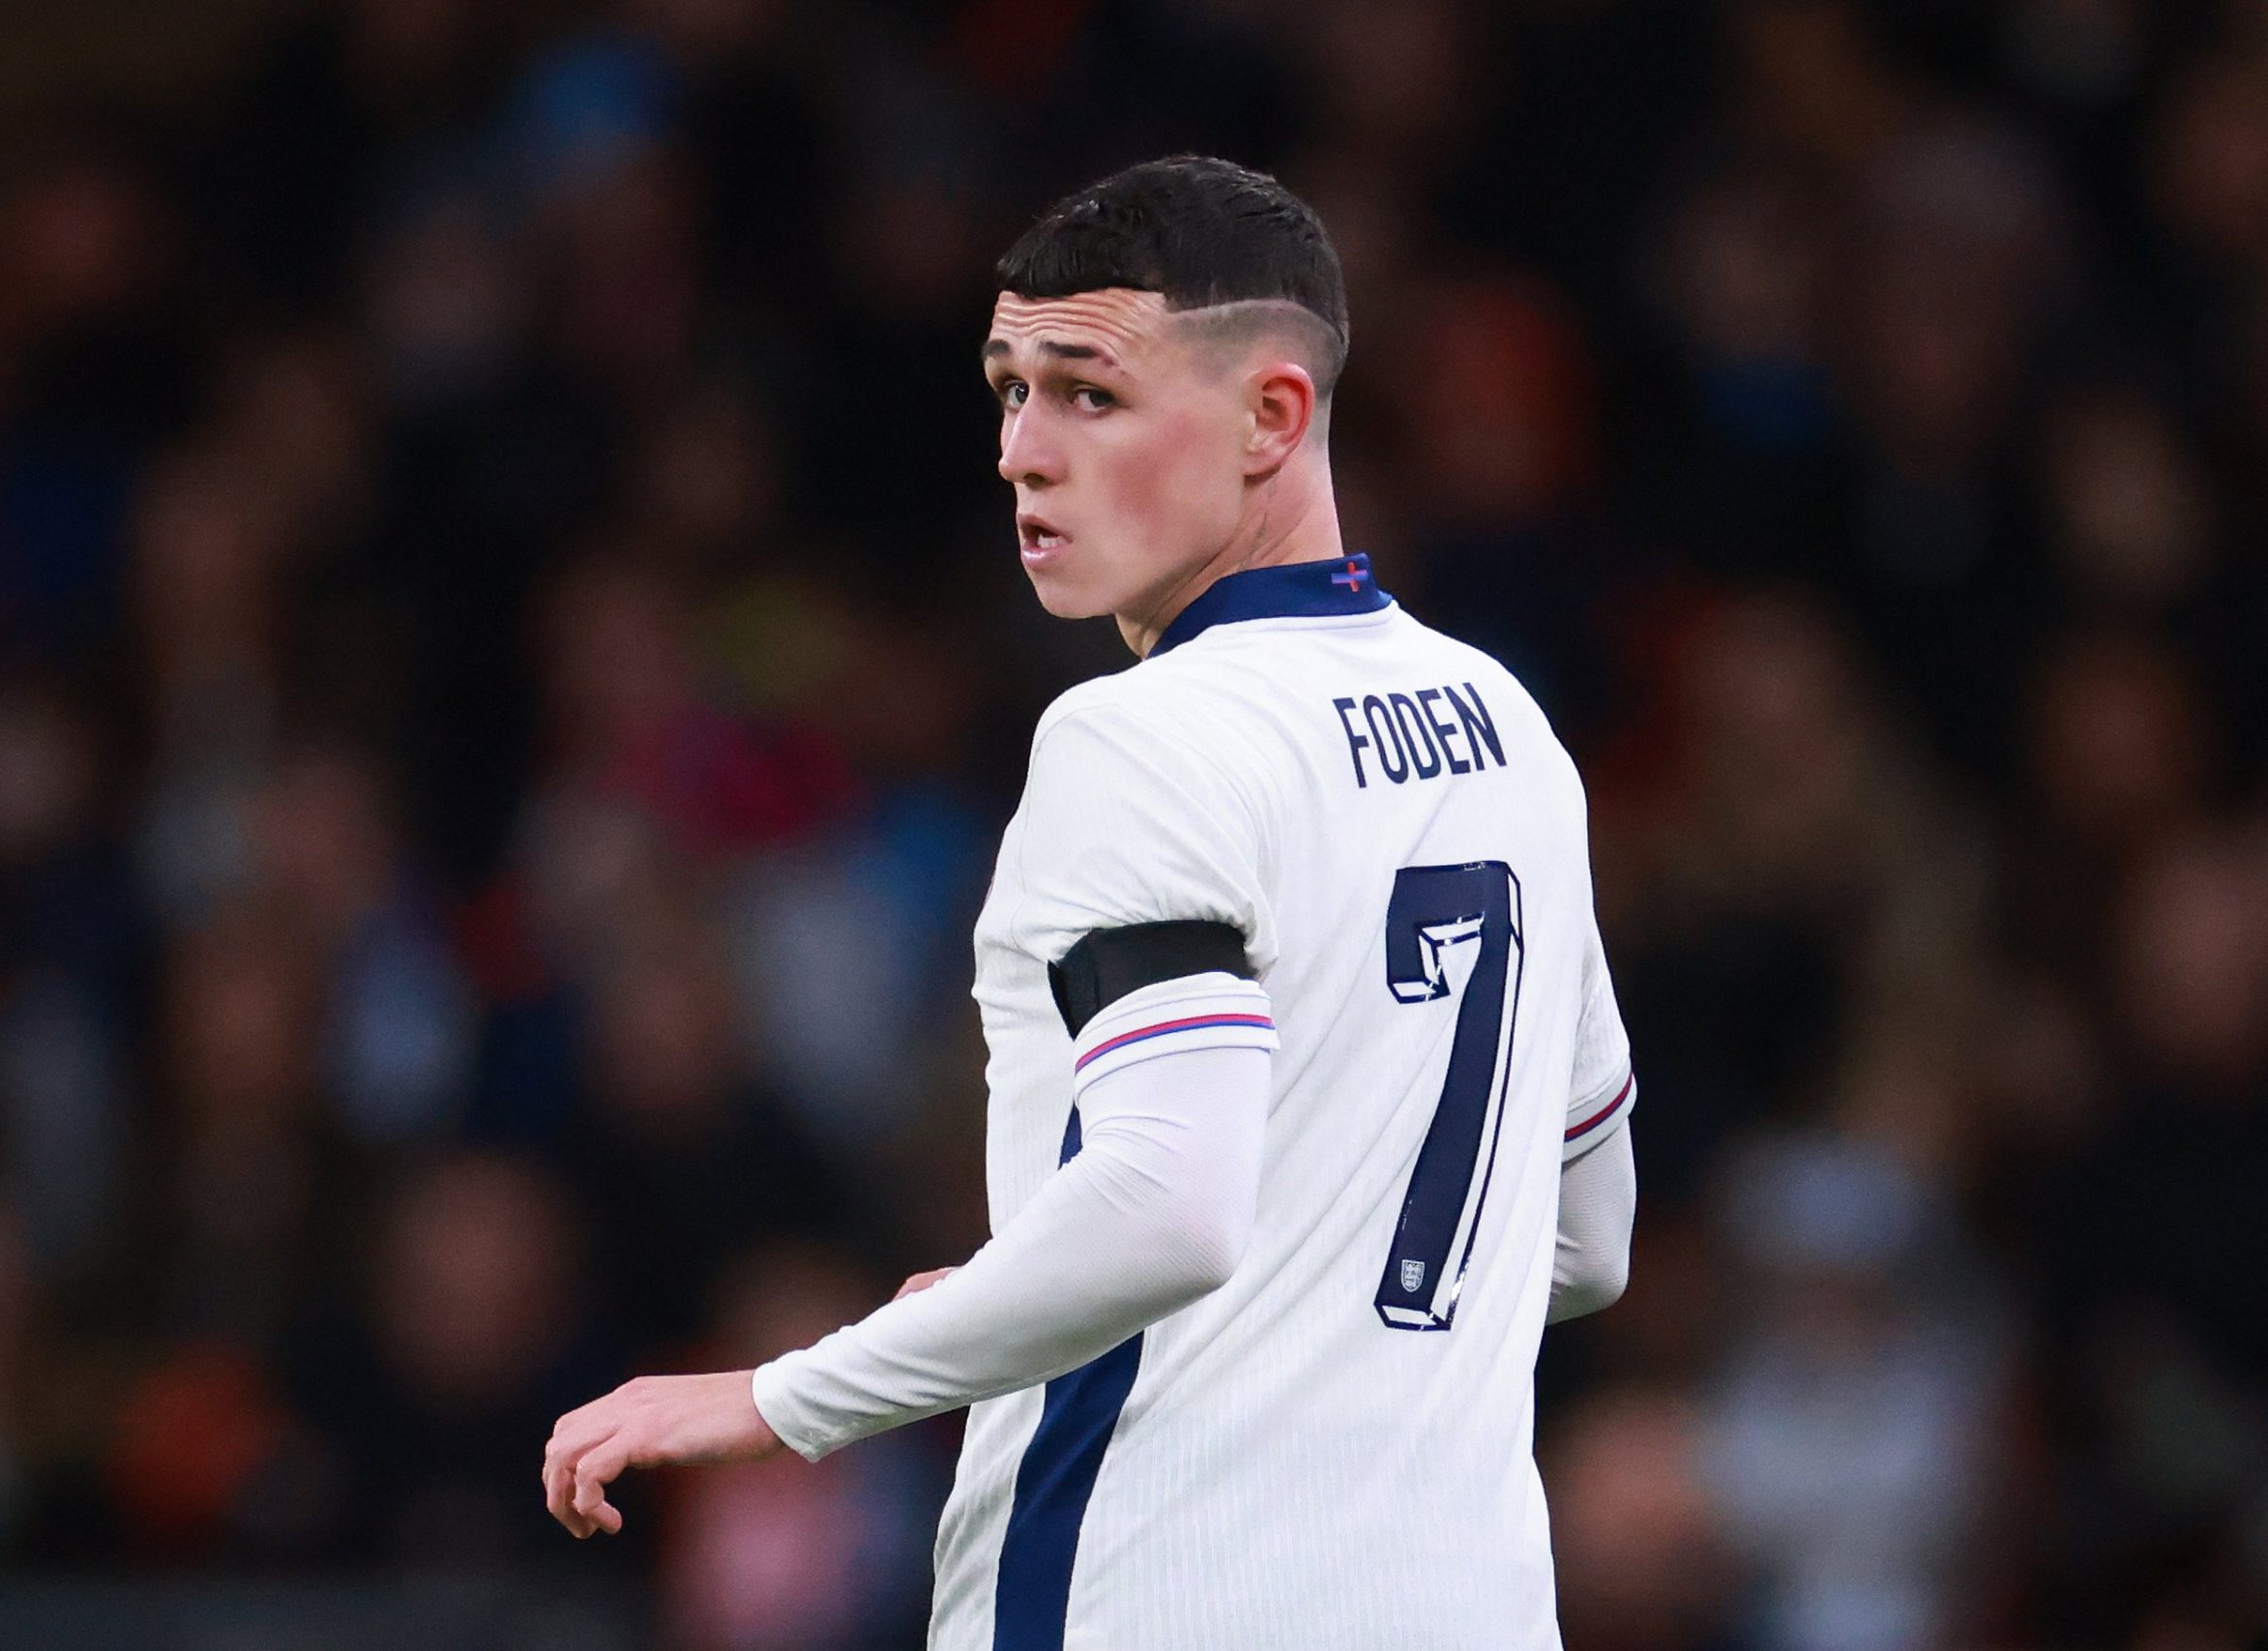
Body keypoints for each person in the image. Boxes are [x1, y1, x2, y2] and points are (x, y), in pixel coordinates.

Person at [541, 155, 1638, 1650]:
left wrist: (781, 1396)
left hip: (1155, 1595)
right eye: (1009, 388)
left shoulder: (1143, 737)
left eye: (1089, 393)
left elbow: (1163, 1215)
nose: (1022, 452)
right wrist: (1048, 1287)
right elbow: (1580, 1242)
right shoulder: (1507, 726)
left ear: (1274, 416)